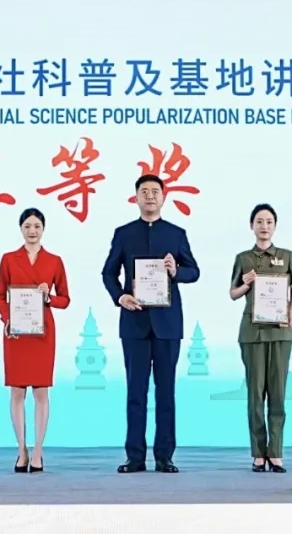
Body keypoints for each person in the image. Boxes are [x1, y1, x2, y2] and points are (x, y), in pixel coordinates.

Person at [101, 174, 200, 474]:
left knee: (166, 393)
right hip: (134, 323)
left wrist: (176, 271)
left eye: (155, 191)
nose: (150, 196)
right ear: (136, 198)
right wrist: (120, 297)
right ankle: (135, 457)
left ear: (164, 197)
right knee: (136, 393)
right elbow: (108, 273)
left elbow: (194, 271)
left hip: (168, 324)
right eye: (144, 191)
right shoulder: (123, 234)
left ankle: (164, 456)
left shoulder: (176, 234)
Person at [0, 207, 71, 473]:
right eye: (27, 226)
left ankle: (38, 450)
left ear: (43, 229)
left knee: (41, 391)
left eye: (37, 226)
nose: (32, 231)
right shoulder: (8, 259)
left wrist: (49, 297)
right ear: (21, 229)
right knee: (17, 391)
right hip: (16, 332)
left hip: (42, 332)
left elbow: (65, 299)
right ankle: (21, 450)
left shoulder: (54, 261)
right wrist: (7, 319)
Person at [229, 204, 292, 473]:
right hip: (252, 332)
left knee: (278, 393)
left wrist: (289, 315)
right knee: (255, 394)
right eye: (259, 221)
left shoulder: (287, 256)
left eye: (269, 221)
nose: (264, 226)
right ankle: (258, 453)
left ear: (275, 226)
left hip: (281, 331)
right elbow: (233, 293)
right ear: (252, 226)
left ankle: (276, 452)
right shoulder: (243, 258)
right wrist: (246, 283)